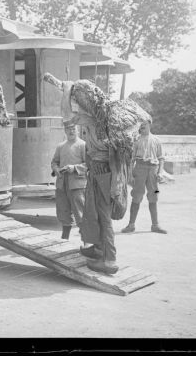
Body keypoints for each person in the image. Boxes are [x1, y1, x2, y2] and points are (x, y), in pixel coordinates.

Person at [66, 111, 120, 275]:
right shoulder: (92, 131)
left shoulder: (106, 135)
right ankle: (97, 249)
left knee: (105, 219)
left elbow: (113, 161)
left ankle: (109, 259)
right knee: (92, 214)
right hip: (95, 176)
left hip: (104, 178)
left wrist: (114, 186)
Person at [121, 120, 167, 234]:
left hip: (153, 170)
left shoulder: (157, 140)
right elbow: (131, 160)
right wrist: (130, 174)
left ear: (149, 125)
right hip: (140, 168)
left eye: (144, 125)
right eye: (140, 125)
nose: (142, 127)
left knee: (154, 195)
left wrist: (160, 172)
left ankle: (155, 225)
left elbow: (161, 158)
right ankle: (131, 225)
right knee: (136, 196)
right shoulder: (136, 140)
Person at [51, 120, 88, 242]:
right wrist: (56, 169)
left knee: (80, 212)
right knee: (63, 210)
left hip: (77, 184)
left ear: (77, 130)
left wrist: (74, 168)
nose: (71, 131)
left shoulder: (83, 145)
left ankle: (86, 241)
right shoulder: (61, 146)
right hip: (62, 183)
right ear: (65, 131)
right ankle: (64, 238)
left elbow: (89, 164)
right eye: (68, 129)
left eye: (73, 129)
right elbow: (54, 161)